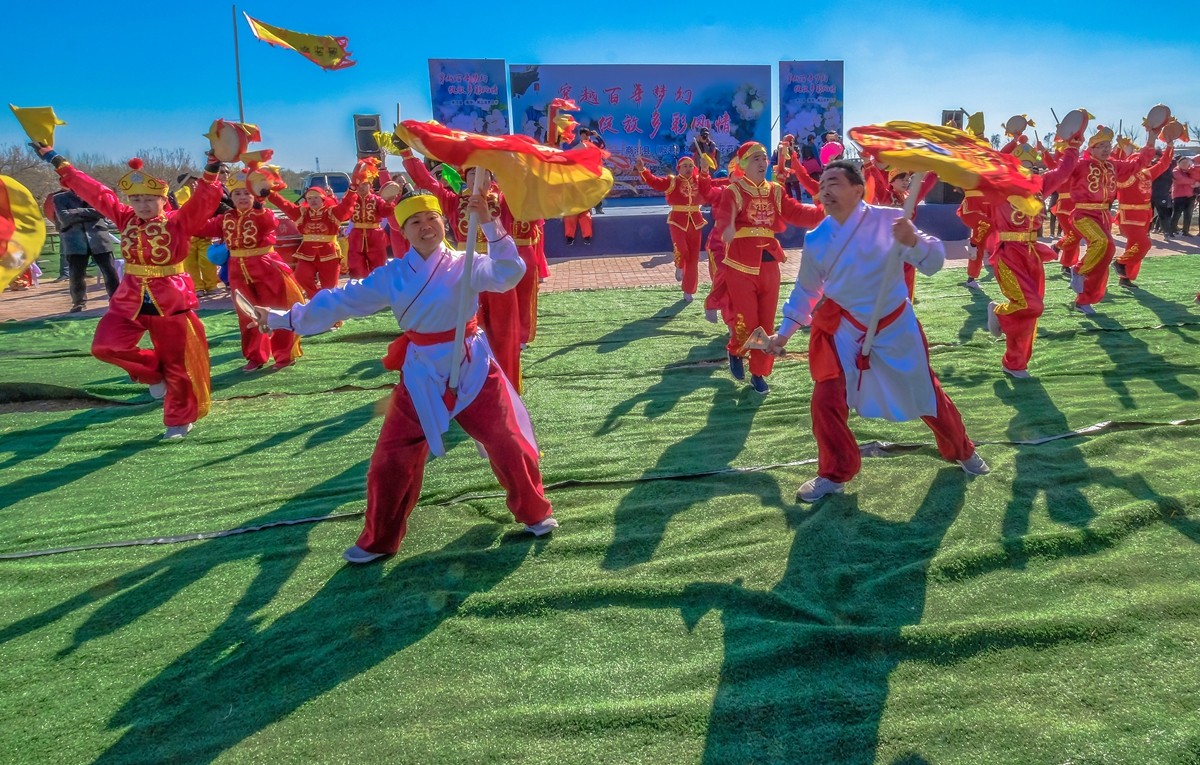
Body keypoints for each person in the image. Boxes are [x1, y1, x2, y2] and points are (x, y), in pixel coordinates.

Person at [252, 191, 557, 564]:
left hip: (473, 364)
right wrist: (284, 318)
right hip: (422, 372)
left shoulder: (467, 263)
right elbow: (342, 300)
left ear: (443, 224)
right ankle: (379, 538)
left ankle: (535, 511)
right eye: (415, 222)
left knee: (508, 441)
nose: (425, 227)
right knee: (390, 459)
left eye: (432, 219)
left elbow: (508, 274)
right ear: (403, 230)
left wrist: (491, 226)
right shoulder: (393, 275)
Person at [763, 160, 989, 501]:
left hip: (895, 327)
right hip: (845, 331)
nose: (825, 189)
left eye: (834, 182)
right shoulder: (817, 238)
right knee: (826, 401)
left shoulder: (890, 221)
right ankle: (834, 473)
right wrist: (784, 333)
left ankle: (963, 450)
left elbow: (934, 262)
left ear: (858, 189)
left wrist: (913, 240)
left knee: (927, 395)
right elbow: (807, 291)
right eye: (822, 183)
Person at [35, 142, 223, 439]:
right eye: (136, 199)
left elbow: (202, 202)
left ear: (163, 200)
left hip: (170, 299)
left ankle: (178, 419)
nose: (143, 205)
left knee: (178, 364)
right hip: (130, 299)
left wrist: (212, 169)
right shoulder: (125, 218)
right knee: (105, 346)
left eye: (149, 199)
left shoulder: (178, 222)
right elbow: (96, 193)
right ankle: (152, 373)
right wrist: (57, 160)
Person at [400, 146, 524, 388]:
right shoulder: (454, 202)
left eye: (486, 174)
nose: (479, 178)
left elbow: (525, 194)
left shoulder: (505, 201)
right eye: (472, 174)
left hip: (495, 272)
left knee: (503, 328)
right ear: (465, 179)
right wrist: (407, 155)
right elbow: (428, 182)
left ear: (492, 178)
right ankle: (467, 382)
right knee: (466, 329)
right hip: (464, 270)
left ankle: (506, 381)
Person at [712, 140, 824, 394]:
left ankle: (760, 373)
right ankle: (735, 350)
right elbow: (724, 216)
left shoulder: (775, 190)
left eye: (764, 158)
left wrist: (826, 211)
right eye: (756, 159)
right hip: (740, 264)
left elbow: (796, 212)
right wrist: (727, 227)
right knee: (749, 321)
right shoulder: (734, 190)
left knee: (767, 323)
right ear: (743, 165)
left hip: (769, 264)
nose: (763, 163)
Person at [982, 141, 1080, 378]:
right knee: (1030, 305)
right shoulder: (999, 187)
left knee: (1029, 316)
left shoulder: (1038, 186)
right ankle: (999, 312)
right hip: (1009, 255)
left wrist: (1073, 146)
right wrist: (1012, 143)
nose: (1027, 169)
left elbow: (1063, 171)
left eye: (1030, 165)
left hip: (1031, 253)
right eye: (1019, 165)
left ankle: (1015, 363)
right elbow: (986, 166)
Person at [195, 168, 307, 371]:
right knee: (247, 315)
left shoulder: (263, 214)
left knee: (276, 311)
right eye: (237, 193)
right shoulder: (225, 218)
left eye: (246, 192)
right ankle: (256, 356)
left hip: (267, 267)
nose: (242, 197)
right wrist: (202, 203)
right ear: (230, 196)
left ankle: (283, 355)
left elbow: (269, 223)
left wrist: (261, 200)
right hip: (237, 272)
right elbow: (199, 227)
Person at [1062, 125, 1154, 315]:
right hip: (1083, 214)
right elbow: (1061, 171)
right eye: (1101, 145)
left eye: (1108, 145)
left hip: (1104, 215)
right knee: (1101, 242)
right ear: (1091, 149)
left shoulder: (1113, 165)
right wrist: (1069, 144)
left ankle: (1084, 300)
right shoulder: (1081, 165)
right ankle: (1078, 269)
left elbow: (1138, 163)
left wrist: (1151, 138)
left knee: (1107, 254)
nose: (1106, 149)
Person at [636, 153, 713, 303]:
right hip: (677, 220)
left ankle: (689, 290)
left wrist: (705, 170)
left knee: (693, 258)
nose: (688, 169)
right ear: (678, 168)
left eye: (691, 166)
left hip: (695, 220)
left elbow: (711, 185)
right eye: (685, 166)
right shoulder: (672, 181)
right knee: (682, 249)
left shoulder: (699, 181)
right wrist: (642, 170)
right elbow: (655, 182)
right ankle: (679, 265)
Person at [268, 184, 358, 298]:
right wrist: (270, 194)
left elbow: (346, 206)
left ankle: (328, 305)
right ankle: (316, 298)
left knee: (329, 286)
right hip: (306, 253)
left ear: (322, 199)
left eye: (316, 197)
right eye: (309, 198)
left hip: (329, 253)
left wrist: (351, 191)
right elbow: (284, 205)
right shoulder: (302, 213)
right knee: (301, 277)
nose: (312, 201)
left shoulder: (332, 212)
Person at [1114, 142, 1174, 287]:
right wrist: (1120, 148)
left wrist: (1170, 146)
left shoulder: (1147, 173)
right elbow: (1115, 163)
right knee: (1144, 244)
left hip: (1144, 216)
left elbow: (1164, 164)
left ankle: (1125, 277)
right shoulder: (1123, 176)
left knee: (1133, 247)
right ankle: (1120, 262)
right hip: (1128, 217)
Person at [51, 188, 120, 312]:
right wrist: (90, 214)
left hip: (99, 238)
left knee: (110, 271)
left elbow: (102, 212)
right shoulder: (59, 198)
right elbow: (64, 218)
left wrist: (77, 211)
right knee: (76, 274)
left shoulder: (96, 195)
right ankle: (79, 303)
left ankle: (116, 300)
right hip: (74, 240)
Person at [174, 172, 223, 296]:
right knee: (190, 263)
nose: (194, 183)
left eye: (195, 181)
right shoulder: (180, 194)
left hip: (204, 231)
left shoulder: (201, 194)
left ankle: (210, 285)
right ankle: (197, 287)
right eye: (191, 181)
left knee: (207, 261)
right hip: (189, 234)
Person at [347, 178, 396, 279]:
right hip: (356, 236)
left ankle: (380, 286)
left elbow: (385, 212)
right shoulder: (351, 199)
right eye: (358, 184)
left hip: (375, 236)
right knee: (355, 263)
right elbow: (343, 212)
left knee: (379, 263)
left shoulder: (377, 199)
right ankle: (359, 289)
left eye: (364, 184)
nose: (361, 187)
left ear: (370, 185)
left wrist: (389, 203)